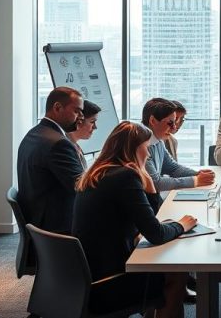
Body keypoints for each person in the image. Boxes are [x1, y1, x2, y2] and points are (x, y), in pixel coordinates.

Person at [72, 121, 195, 318]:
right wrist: (182, 225)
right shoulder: (125, 176)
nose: (148, 155)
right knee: (176, 273)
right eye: (146, 148)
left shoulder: (98, 171)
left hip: (89, 274)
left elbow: (152, 218)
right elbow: (156, 233)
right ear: (133, 149)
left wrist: (148, 182)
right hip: (109, 282)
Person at [16, 86, 86, 234]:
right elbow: (81, 187)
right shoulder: (58, 143)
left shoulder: (33, 134)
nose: (80, 117)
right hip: (58, 226)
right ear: (58, 107)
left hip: (38, 221)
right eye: (76, 111)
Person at [144, 98, 215, 192]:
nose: (174, 127)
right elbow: (155, 183)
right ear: (153, 121)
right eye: (170, 123)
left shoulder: (158, 141)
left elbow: (173, 168)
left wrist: (197, 174)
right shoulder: (141, 145)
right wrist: (195, 180)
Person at [67, 100, 101, 171]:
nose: (95, 127)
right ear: (79, 121)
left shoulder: (75, 146)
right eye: (92, 122)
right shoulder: (67, 148)